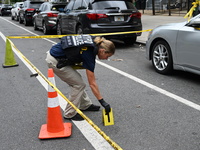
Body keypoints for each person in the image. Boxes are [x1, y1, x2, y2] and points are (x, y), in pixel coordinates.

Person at [45, 35, 115, 121]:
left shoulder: (93, 41)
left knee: (78, 80)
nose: (106, 59)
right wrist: (102, 102)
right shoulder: (89, 53)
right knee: (78, 84)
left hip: (57, 53)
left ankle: (85, 105)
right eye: (107, 56)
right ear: (103, 51)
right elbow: (92, 84)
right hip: (55, 60)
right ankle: (69, 113)